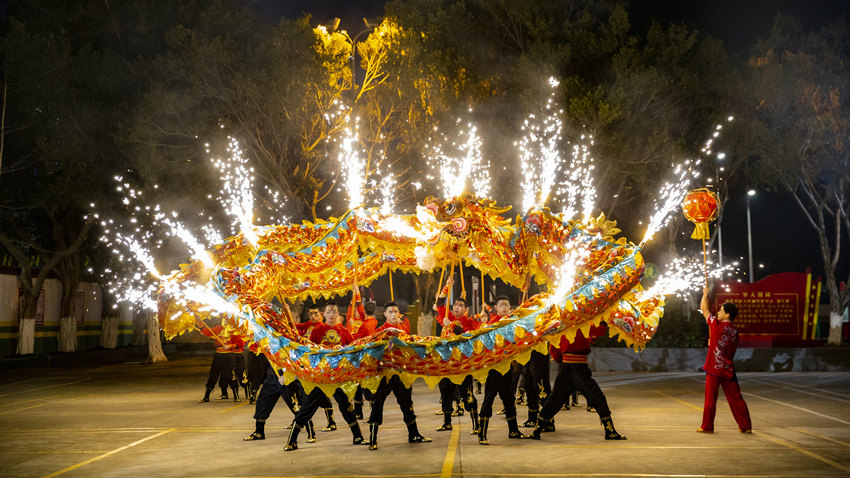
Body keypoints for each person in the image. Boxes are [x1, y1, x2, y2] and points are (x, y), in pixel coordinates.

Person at [284, 304, 365, 451]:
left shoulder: (345, 331)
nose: (332, 314)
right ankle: (292, 440)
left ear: (338, 314)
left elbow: (353, 350)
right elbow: (311, 350)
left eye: (334, 311)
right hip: (320, 377)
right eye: (329, 312)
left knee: (346, 407)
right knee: (307, 408)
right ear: (324, 315)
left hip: (338, 377)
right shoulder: (317, 331)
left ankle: (358, 436)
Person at [528, 323, 626, 441]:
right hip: (579, 369)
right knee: (597, 397)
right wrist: (603, 322)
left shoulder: (559, 325)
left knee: (555, 399)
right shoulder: (582, 322)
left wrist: (562, 359)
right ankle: (610, 431)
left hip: (565, 368)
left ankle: (537, 430)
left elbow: (553, 348)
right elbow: (599, 331)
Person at [365, 301, 431, 450]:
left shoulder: (403, 330)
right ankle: (372, 439)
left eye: (396, 312)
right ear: (385, 314)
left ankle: (414, 434)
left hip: (401, 374)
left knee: (407, 404)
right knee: (377, 405)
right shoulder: (379, 331)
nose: (394, 314)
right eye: (390, 312)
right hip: (384, 374)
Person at [697, 286, 752, 434]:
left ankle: (707, 426)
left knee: (710, 399)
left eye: (721, 311)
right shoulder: (734, 332)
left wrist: (705, 294)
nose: (718, 312)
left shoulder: (716, 325)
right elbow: (728, 347)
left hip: (714, 369)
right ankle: (745, 426)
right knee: (736, 398)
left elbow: (703, 308)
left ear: (727, 315)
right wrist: (712, 342)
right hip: (728, 369)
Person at [477, 295, 527, 444]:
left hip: (507, 369)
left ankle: (513, 431)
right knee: (489, 399)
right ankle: (482, 434)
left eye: (507, 304)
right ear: (496, 308)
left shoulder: (513, 322)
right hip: (494, 370)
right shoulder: (493, 324)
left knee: (509, 399)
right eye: (501, 305)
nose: (505, 307)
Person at [434, 277, 480, 434]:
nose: (457, 307)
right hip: (446, 363)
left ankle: (476, 424)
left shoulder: (470, 322)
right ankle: (447, 422)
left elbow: (469, 336)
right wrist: (447, 287)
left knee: (467, 394)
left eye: (461, 305)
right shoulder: (448, 317)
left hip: (462, 364)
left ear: (466, 310)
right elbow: (440, 304)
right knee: (446, 394)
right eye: (455, 305)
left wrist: (452, 326)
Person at [295, 303, 337, 432]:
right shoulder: (307, 326)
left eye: (316, 314)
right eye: (310, 314)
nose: (313, 316)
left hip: (323, 366)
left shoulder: (322, 329)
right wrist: (287, 311)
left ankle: (328, 422)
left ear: (321, 314)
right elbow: (292, 327)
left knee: (319, 395)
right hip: (308, 365)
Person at [346, 287, 378, 419]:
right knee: (359, 386)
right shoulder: (372, 321)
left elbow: (354, 339)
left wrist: (352, 326)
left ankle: (371, 412)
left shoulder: (365, 325)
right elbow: (359, 307)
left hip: (362, 357)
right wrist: (356, 293)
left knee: (364, 387)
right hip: (363, 358)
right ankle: (359, 412)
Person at [197, 322, 244, 402]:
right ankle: (206, 396)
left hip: (228, 356)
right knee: (213, 374)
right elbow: (205, 331)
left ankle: (236, 396)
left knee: (231, 375)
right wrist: (199, 321)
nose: (225, 321)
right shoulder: (218, 328)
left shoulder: (234, 331)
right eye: (224, 319)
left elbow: (240, 343)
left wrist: (229, 346)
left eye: (227, 319)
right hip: (218, 355)